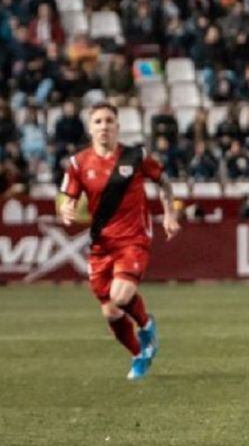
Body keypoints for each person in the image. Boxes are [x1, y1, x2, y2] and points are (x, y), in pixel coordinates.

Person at [58, 103, 181, 381]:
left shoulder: (136, 156)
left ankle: (146, 325)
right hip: (101, 244)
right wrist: (66, 208)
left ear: (117, 126)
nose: (104, 126)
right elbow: (68, 198)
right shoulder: (78, 163)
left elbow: (164, 182)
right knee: (111, 312)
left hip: (133, 238)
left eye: (109, 121)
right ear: (90, 128)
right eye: (98, 121)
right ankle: (140, 354)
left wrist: (169, 215)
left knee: (121, 296)